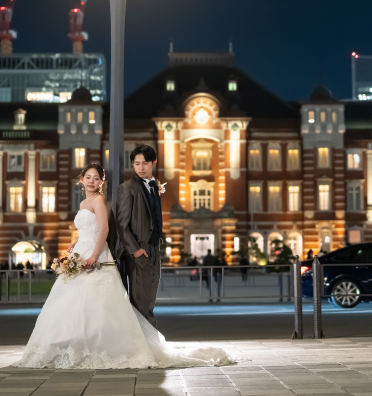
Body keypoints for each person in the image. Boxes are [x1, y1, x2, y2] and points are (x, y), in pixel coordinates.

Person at [15, 163, 231, 369]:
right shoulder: (83, 203)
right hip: (82, 250)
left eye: (96, 178)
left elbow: (104, 230)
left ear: (101, 181)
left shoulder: (99, 201)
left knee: (98, 304)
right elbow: (88, 230)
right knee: (74, 302)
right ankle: (78, 345)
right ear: (81, 180)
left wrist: (94, 255)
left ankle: (97, 346)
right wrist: (77, 243)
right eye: (88, 177)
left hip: (94, 255)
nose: (91, 181)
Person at [115, 145, 165, 327]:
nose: (141, 168)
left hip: (153, 249)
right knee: (140, 302)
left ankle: (148, 343)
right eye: (137, 164)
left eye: (145, 163)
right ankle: (145, 346)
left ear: (154, 163)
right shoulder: (127, 188)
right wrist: (136, 251)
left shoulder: (154, 186)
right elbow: (122, 225)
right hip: (138, 252)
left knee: (149, 300)